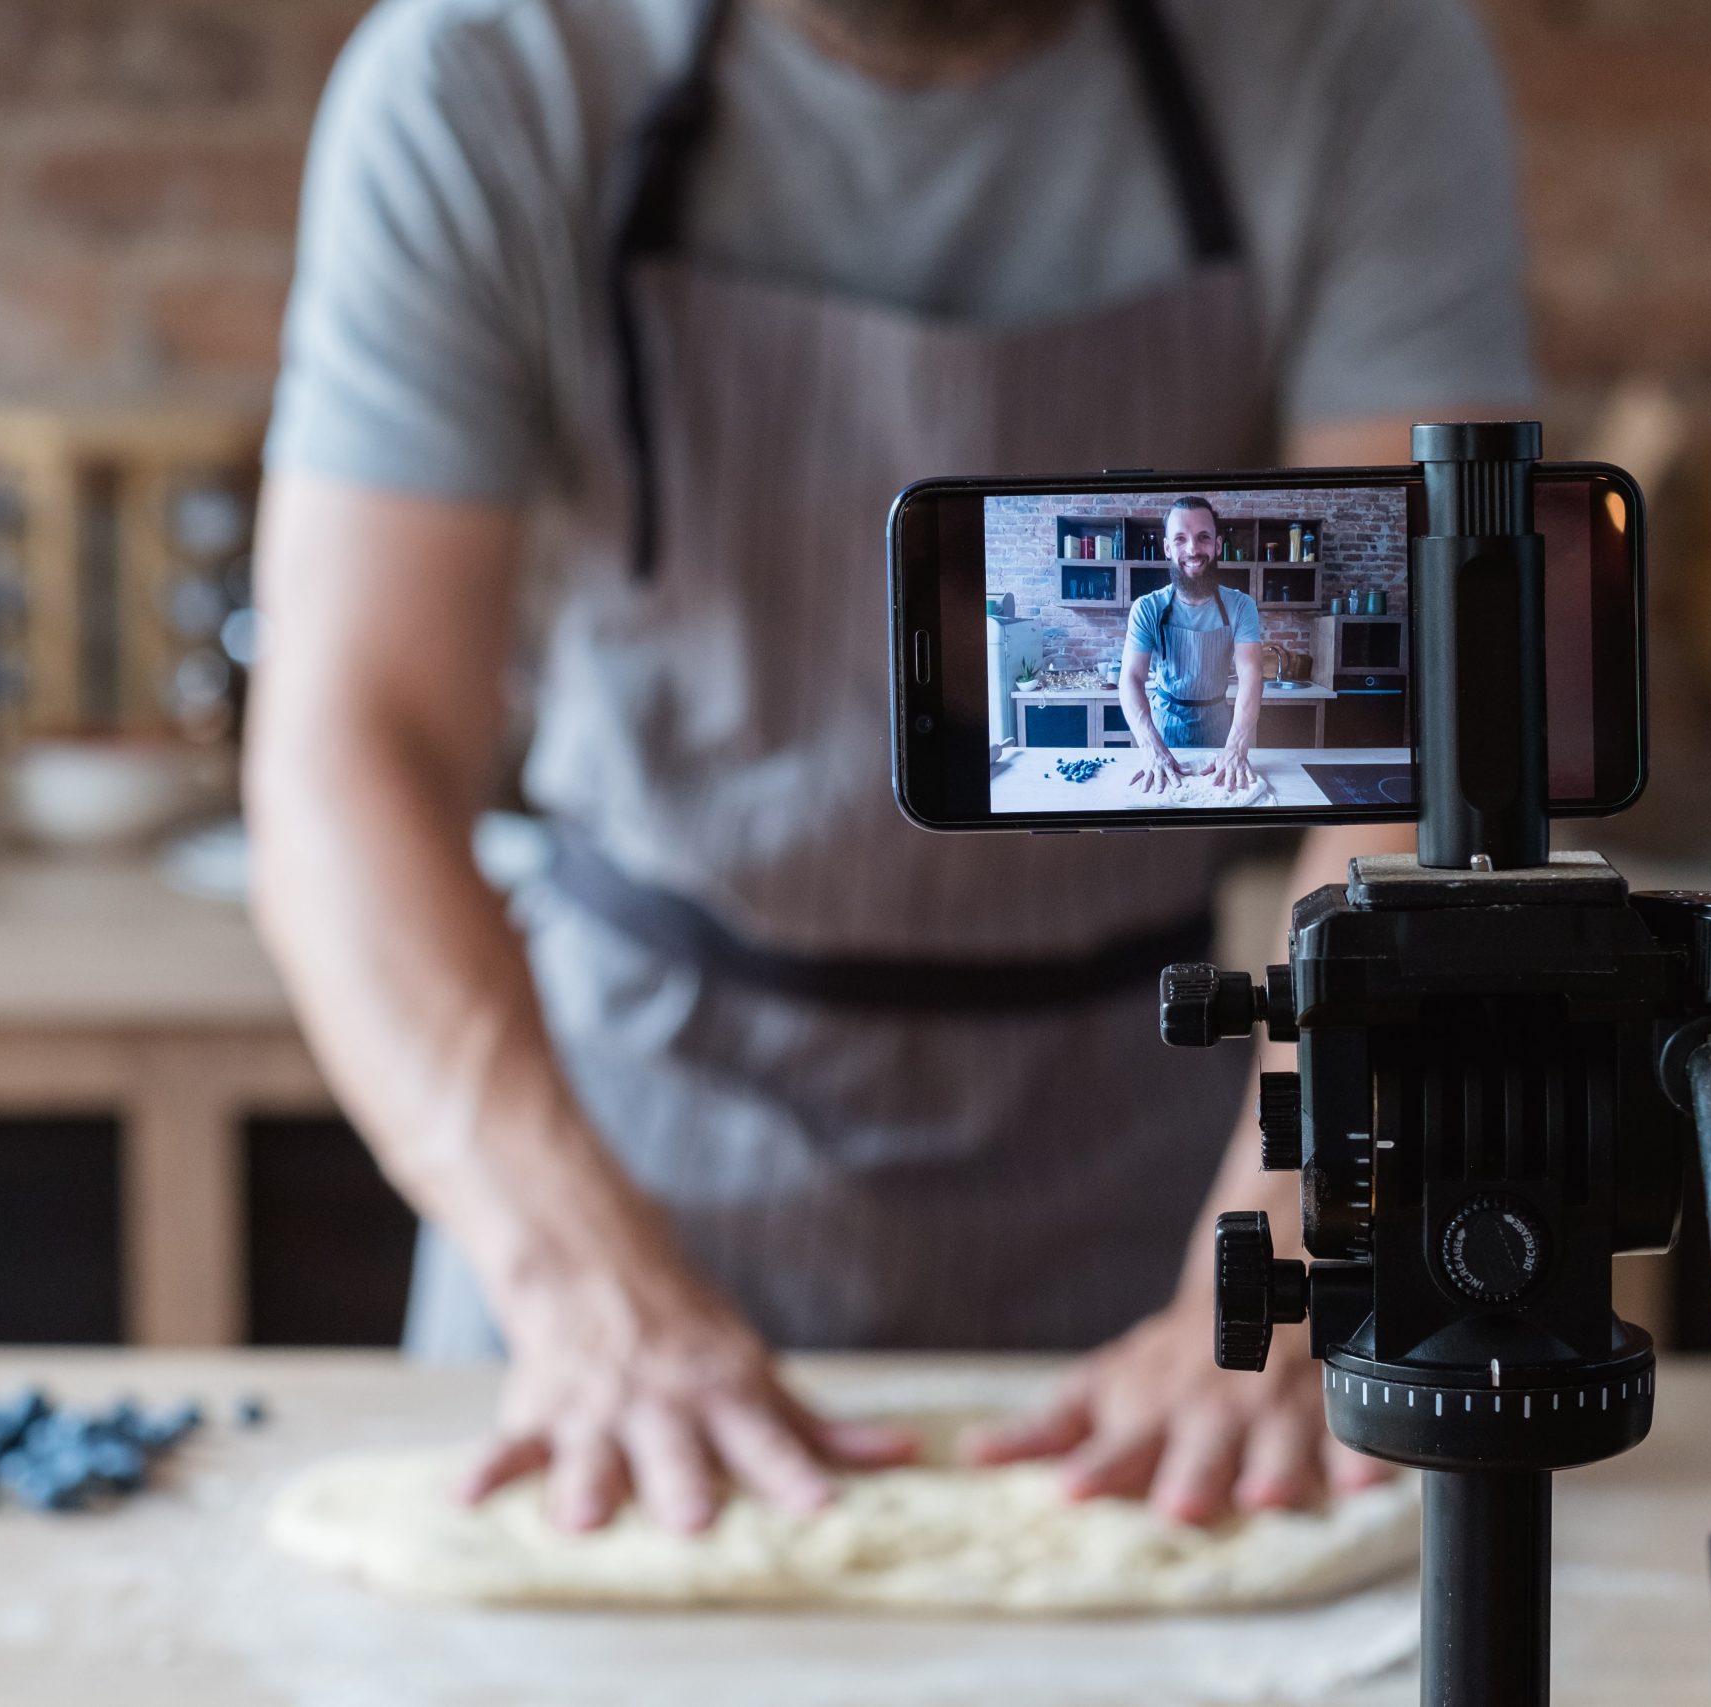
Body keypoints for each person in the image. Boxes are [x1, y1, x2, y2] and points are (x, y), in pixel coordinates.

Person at [249, 0, 1534, 1536]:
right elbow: (349, 751)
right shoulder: (489, 72)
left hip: (1154, 1176)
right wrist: (583, 1284)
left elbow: (1424, 738)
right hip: (617, 1164)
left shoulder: (1351, 55)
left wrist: (1287, 1252)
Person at [1122, 496, 1264, 794]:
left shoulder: (1241, 607)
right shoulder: (1147, 608)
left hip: (1221, 733)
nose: (1193, 549)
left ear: (1217, 544)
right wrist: (1151, 748)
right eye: (1180, 539)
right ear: (1167, 548)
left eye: (1203, 538)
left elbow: (1252, 675)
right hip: (1163, 735)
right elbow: (1131, 679)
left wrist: (1236, 747)